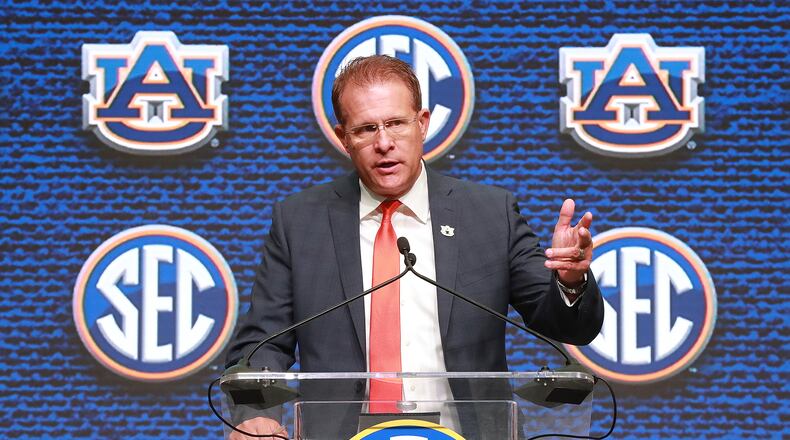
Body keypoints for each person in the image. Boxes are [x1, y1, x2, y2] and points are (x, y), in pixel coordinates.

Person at [225, 55, 603, 439]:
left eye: (395, 123)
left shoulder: (490, 214)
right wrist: (255, 413)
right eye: (366, 129)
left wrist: (571, 281)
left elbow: (566, 324)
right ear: (343, 138)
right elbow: (260, 346)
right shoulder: (300, 222)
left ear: (422, 124)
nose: (384, 143)